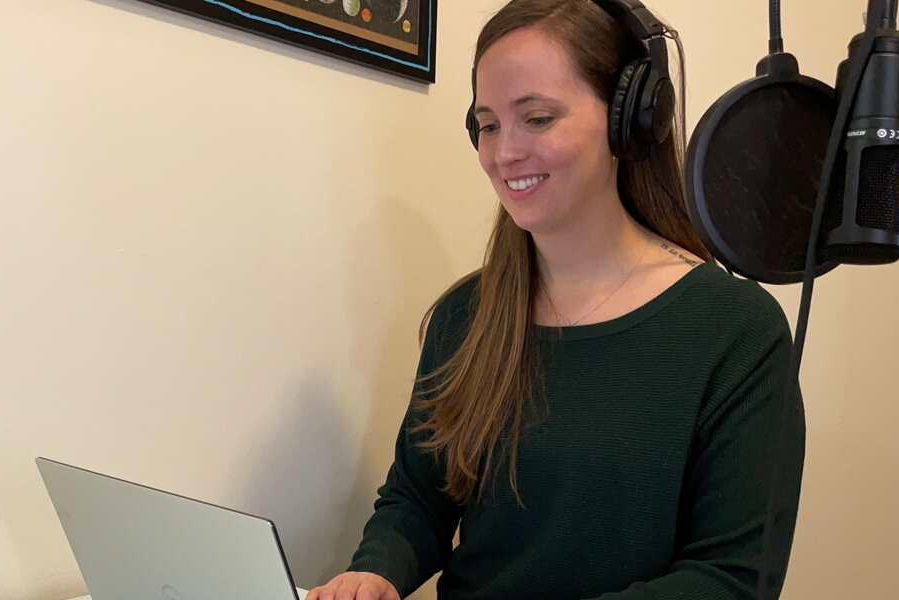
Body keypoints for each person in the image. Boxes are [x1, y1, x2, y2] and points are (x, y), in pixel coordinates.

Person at [306, 0, 805, 598]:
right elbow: (418, 499)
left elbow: (730, 579)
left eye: (536, 118)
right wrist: (376, 570)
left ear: (628, 122)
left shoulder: (736, 330)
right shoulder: (465, 317)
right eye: (488, 124)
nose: (504, 152)